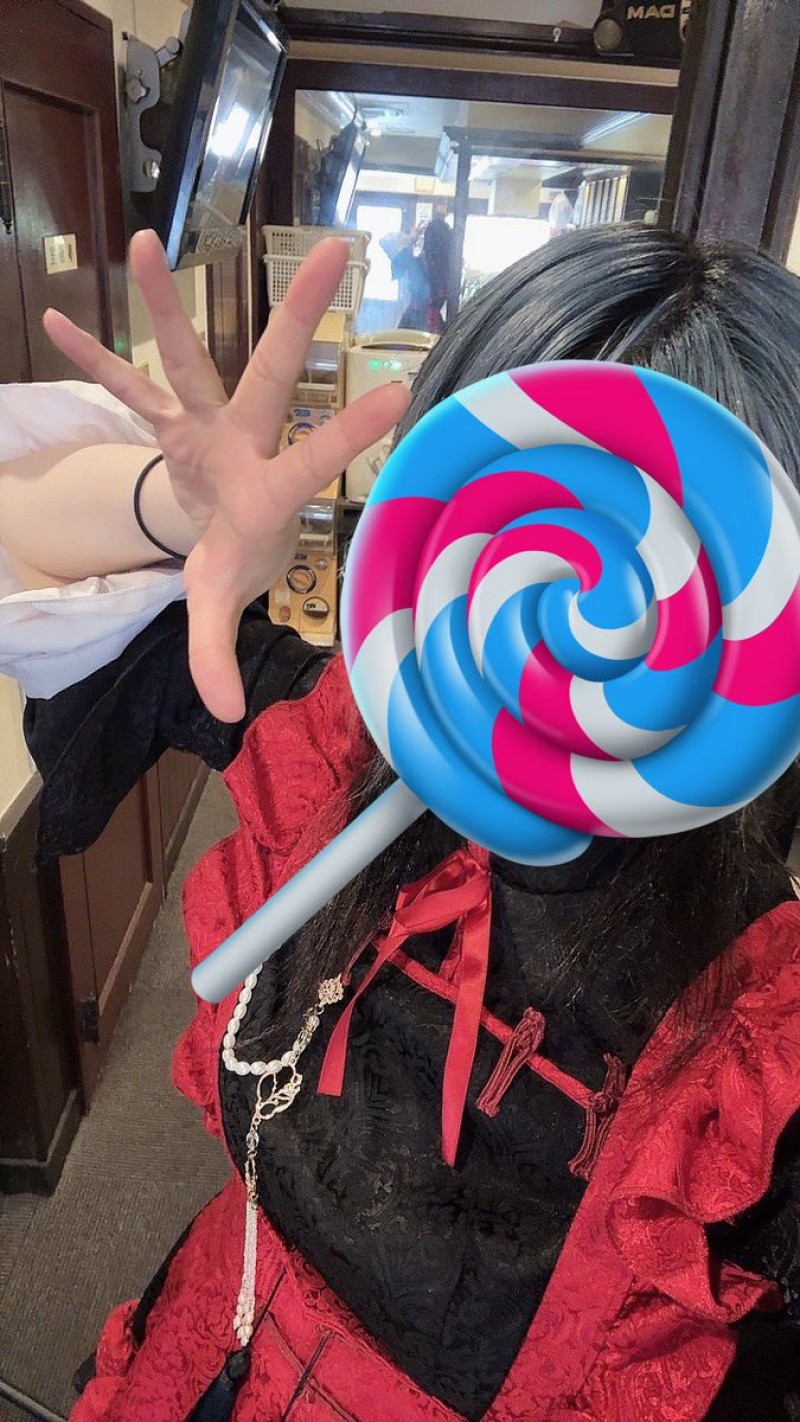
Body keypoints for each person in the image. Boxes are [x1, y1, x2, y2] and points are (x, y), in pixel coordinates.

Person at [1, 224, 799, 1422]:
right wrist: (177, 510)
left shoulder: (758, 1040)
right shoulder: (341, 757)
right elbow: (27, 556)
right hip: (202, 1354)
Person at [422, 196, 453, 332]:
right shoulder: (436, 227)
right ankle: (434, 328)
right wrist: (437, 272)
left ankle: (435, 327)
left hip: (440, 272)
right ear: (437, 207)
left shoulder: (443, 227)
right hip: (438, 273)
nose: (446, 208)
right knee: (436, 301)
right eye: (443, 204)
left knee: (437, 301)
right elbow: (432, 252)